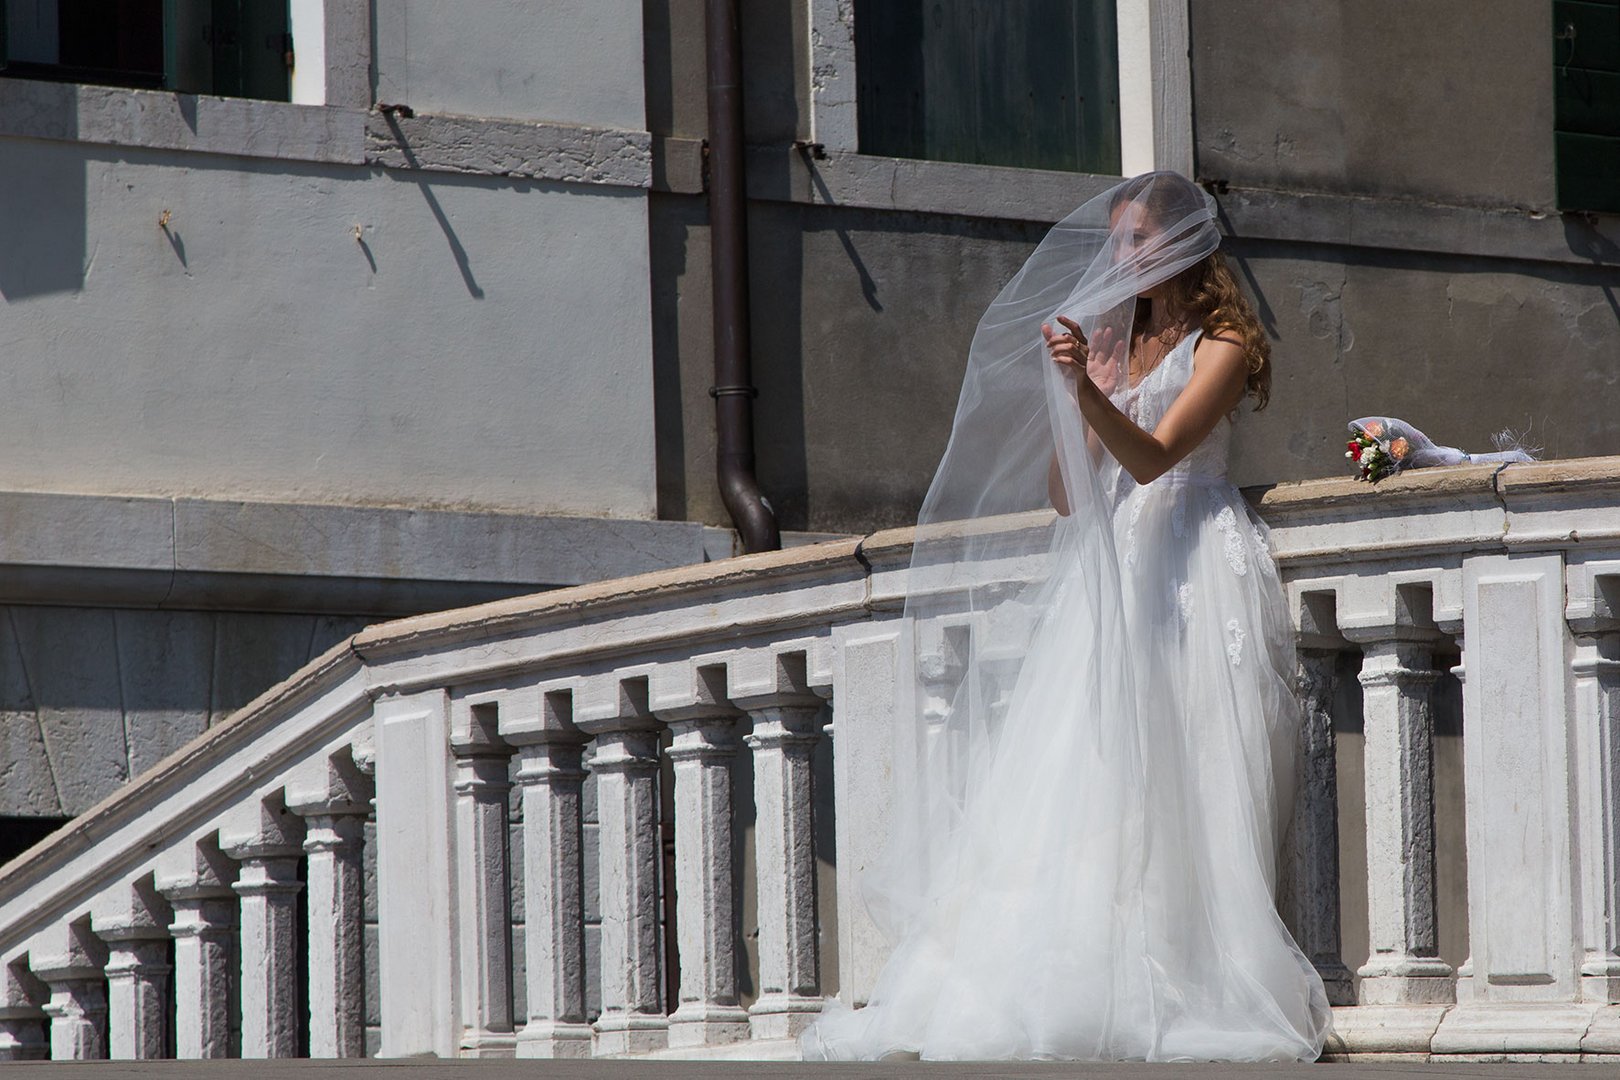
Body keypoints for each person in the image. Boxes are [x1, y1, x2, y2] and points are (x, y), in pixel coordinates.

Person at [799, 173, 1332, 1062]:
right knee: (1095, 769)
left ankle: (1190, 968)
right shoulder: (1120, 346)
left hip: (1189, 557)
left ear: (1177, 247)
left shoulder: (1225, 340)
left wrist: (1090, 397)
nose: (1117, 258)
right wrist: (1079, 392)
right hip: (1117, 565)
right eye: (1116, 241)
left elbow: (1160, 458)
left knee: (1188, 763)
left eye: (1132, 242)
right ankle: (1091, 967)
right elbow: (1064, 497)